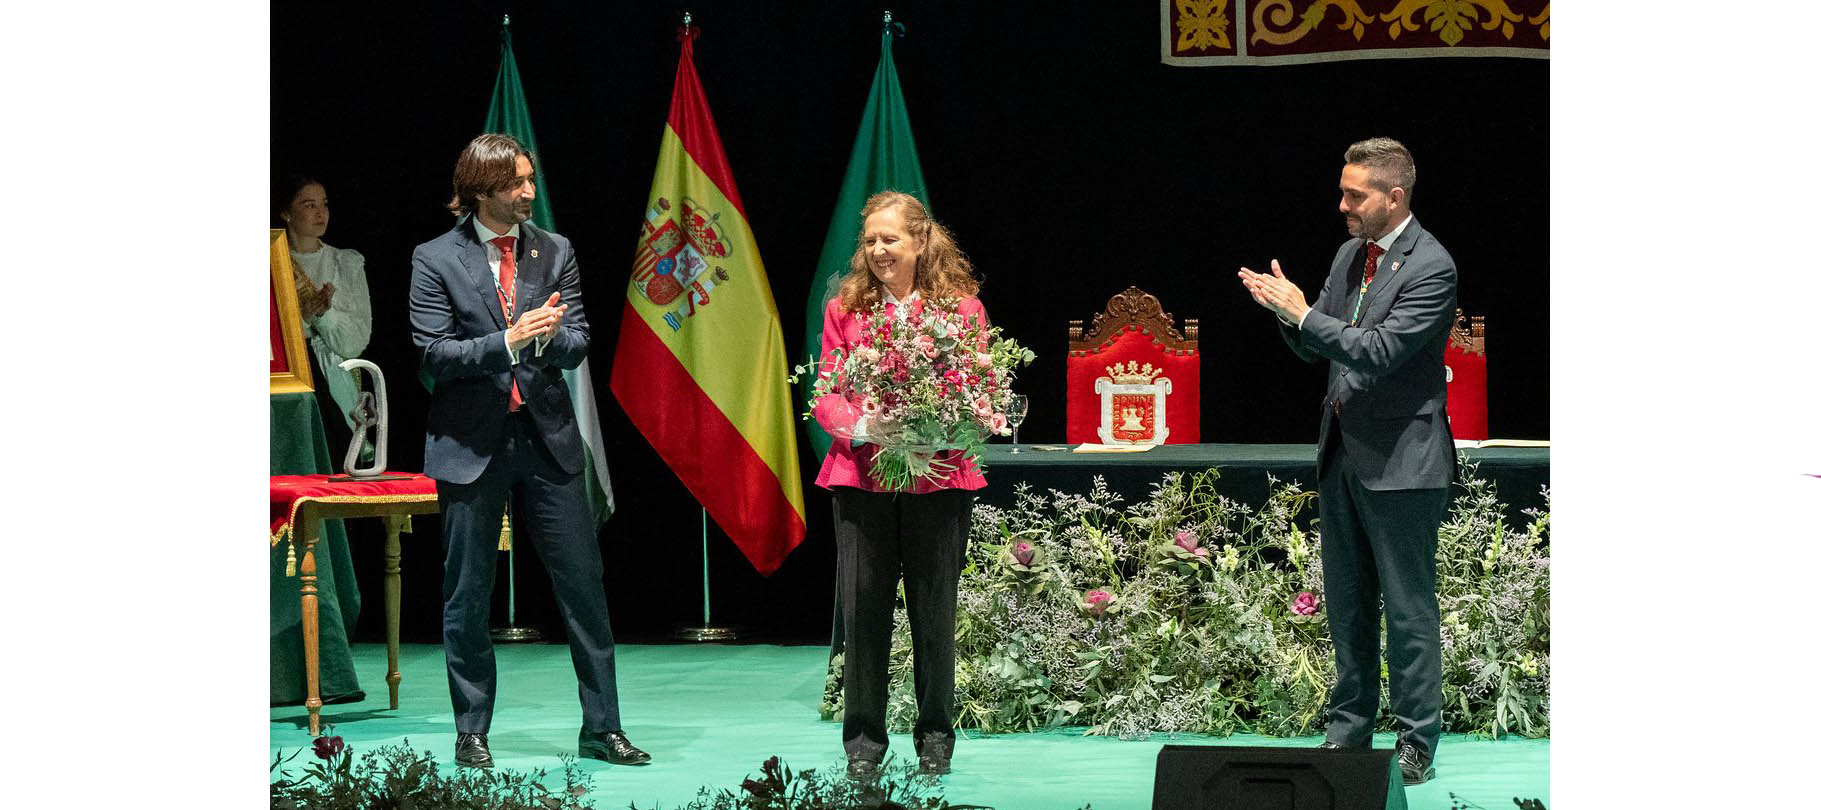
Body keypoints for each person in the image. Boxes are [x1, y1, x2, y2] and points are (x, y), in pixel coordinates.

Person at [407, 133, 648, 770]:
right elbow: (432, 356)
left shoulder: (554, 250)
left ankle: (603, 728)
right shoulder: (434, 258)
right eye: (518, 183)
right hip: (469, 445)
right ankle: (472, 731)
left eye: (531, 180)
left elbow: (578, 338)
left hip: (547, 439)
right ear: (483, 189)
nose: (529, 193)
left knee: (584, 589)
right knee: (467, 592)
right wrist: (508, 340)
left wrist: (540, 341)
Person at [1236, 137, 1456, 786]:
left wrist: (1303, 314)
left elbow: (1379, 351)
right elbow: (1317, 347)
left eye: (1354, 195)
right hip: (1342, 458)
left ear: (1395, 197)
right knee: (1348, 605)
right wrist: (1286, 313)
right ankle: (1347, 733)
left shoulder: (1431, 266)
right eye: (1341, 192)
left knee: (1408, 610)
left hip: (1403, 464)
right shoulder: (1347, 256)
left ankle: (1415, 743)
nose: (1342, 205)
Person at [813, 191, 987, 780]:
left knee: (934, 615)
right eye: (871, 241)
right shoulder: (844, 309)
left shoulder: (962, 310)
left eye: (891, 238)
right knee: (863, 617)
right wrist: (869, 426)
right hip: (862, 482)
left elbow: (979, 396)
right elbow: (828, 397)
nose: (880, 250)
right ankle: (864, 744)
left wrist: (934, 428)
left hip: (939, 482)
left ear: (921, 242)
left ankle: (936, 738)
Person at [278, 175, 371, 460]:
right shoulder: (274, 263)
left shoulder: (346, 262)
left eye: (324, 204)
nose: (320, 213)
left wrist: (323, 315)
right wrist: (305, 319)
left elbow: (356, 341)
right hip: (290, 389)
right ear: (286, 213)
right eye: (309, 205)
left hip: (338, 389)